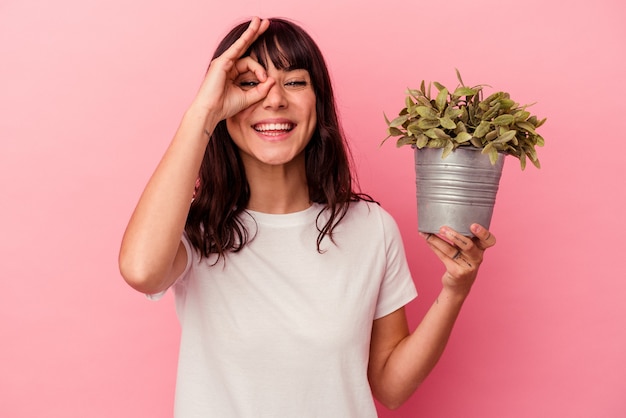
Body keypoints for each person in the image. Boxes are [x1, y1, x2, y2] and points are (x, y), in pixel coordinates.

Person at [119, 16, 496, 417]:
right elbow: (141, 270)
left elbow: (390, 386)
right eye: (249, 84)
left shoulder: (370, 227)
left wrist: (456, 290)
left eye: (295, 82)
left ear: (319, 100)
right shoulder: (196, 231)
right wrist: (202, 112)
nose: (274, 99)